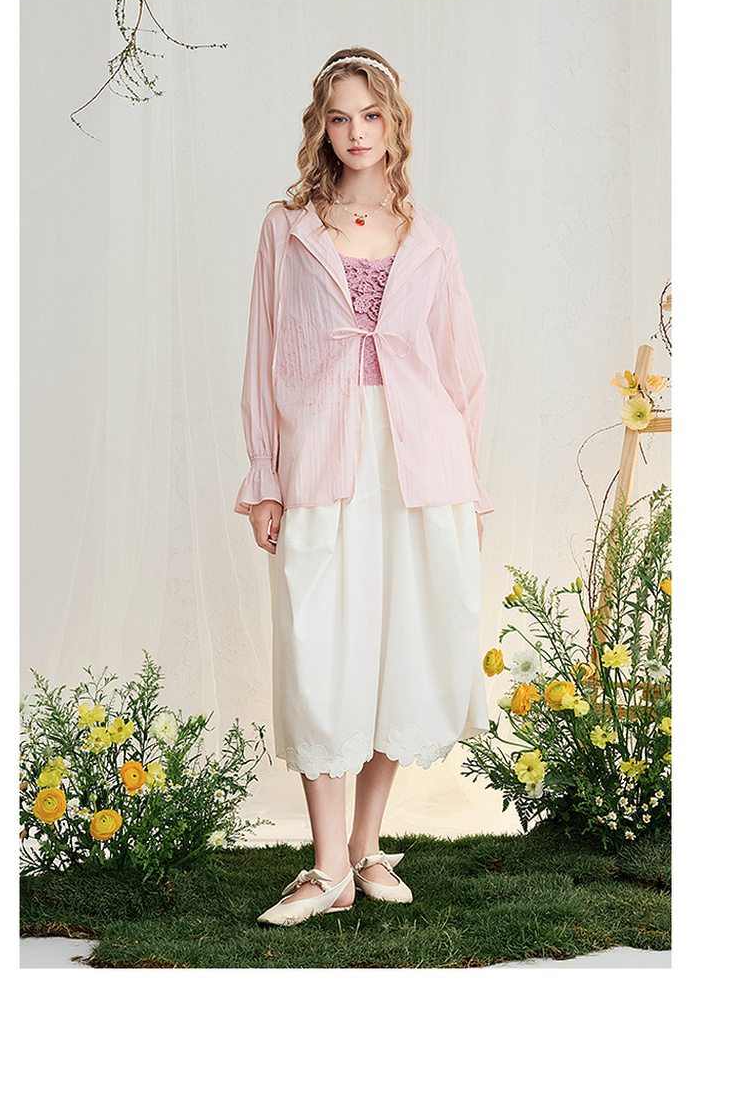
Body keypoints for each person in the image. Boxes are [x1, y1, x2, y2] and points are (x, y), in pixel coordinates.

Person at [235, 47, 492, 926]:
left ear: (394, 124)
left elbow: (462, 369)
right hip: (322, 458)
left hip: (424, 466)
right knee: (321, 649)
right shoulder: (288, 230)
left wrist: (471, 490)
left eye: (371, 116)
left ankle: (365, 847)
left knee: (401, 647)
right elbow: (264, 358)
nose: (356, 133)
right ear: (322, 126)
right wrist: (265, 479)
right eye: (340, 117)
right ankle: (326, 868)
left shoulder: (432, 236)